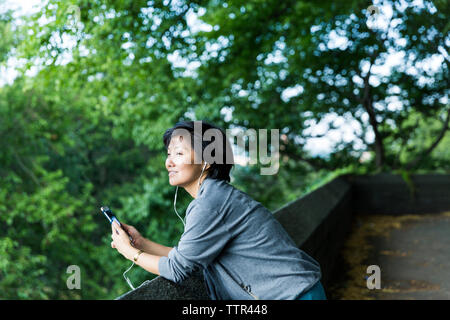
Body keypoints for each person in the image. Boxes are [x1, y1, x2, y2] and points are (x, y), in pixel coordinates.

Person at [111, 120, 326, 300]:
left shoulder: (210, 203)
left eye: (178, 153)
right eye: (169, 154)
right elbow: (188, 258)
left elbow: (178, 270)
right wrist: (142, 244)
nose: (169, 162)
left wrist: (129, 252)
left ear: (206, 160)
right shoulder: (216, 195)